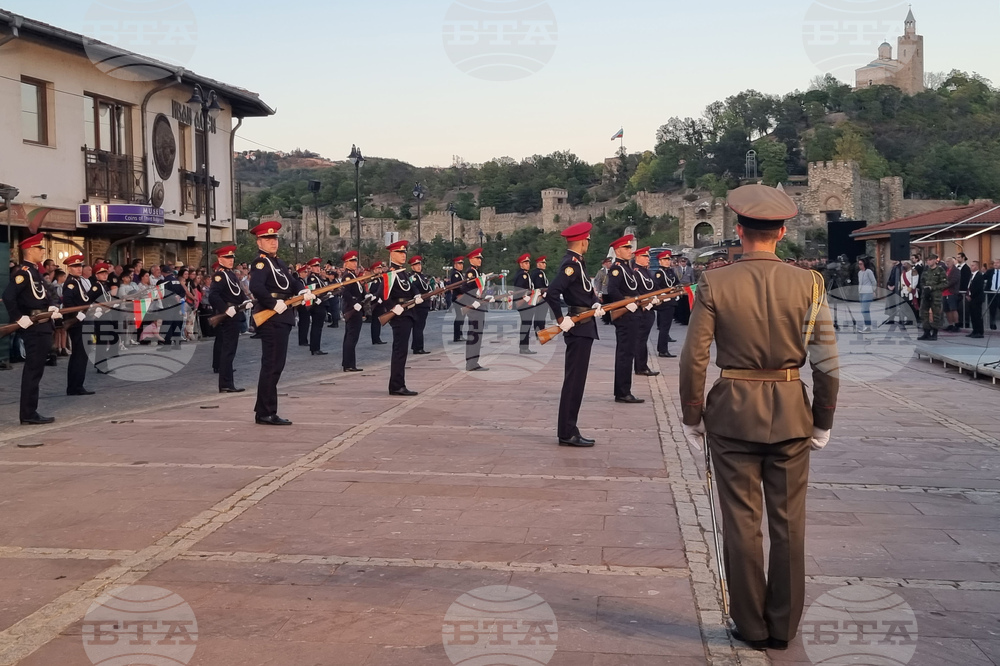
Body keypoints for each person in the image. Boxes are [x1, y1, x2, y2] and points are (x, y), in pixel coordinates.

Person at [679, 184, 840, 651]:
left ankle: (749, 625)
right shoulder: (809, 283)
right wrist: (823, 419)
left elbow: (694, 358)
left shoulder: (716, 282)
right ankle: (782, 627)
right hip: (791, 412)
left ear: (740, 230)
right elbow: (826, 361)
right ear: (783, 232)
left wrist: (693, 414)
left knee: (741, 523)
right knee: (789, 524)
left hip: (732, 415)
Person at [545, 222, 603, 447]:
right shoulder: (571, 264)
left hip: (584, 324)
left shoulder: (579, 263)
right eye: (587, 240)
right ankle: (567, 432)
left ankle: (570, 428)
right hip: (577, 327)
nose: (588, 243)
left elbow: (584, 292)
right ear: (582, 241)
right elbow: (553, 292)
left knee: (577, 381)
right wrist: (561, 319)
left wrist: (596, 302)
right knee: (574, 382)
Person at [249, 222, 311, 426]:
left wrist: (301, 290)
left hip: (282, 316)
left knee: (276, 364)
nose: (273, 242)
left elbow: (292, 282)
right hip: (272, 316)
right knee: (272, 365)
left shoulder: (279, 263)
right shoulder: (260, 263)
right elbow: (256, 287)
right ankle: (266, 412)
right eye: (268, 239)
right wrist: (273, 303)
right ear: (259, 242)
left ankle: (263, 409)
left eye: (274, 238)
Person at [3, 234, 61, 425]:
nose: (42, 251)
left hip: (42, 322)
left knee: (37, 370)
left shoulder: (35, 272)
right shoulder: (24, 273)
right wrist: (19, 318)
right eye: (39, 248)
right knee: (33, 371)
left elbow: (44, 293)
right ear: (29, 251)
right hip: (34, 325)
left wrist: (52, 306)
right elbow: (8, 296)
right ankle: (28, 413)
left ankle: (30, 411)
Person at [606, 235, 643, 404]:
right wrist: (626, 304)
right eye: (626, 248)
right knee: (625, 354)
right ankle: (622, 391)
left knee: (629, 352)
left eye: (630, 248)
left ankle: (624, 389)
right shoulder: (617, 268)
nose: (630, 251)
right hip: (625, 314)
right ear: (617, 250)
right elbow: (612, 290)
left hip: (632, 312)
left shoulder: (628, 268)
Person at [209, 245, 250, 393]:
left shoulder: (231, 274)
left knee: (231, 350)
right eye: (227, 257)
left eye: (232, 257)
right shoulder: (219, 275)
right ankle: (225, 383)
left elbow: (238, 291)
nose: (231, 260)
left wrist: (245, 301)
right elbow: (213, 296)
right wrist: (225, 309)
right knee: (228, 350)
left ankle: (227, 382)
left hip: (235, 313)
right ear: (220, 259)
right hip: (228, 315)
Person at [383, 240, 419, 396]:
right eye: (399, 252)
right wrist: (392, 307)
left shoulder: (403, 272)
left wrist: (417, 294)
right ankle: (397, 385)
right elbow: (383, 294)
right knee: (399, 351)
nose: (403, 255)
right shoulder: (391, 273)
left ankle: (397, 383)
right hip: (398, 314)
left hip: (407, 313)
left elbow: (410, 287)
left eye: (404, 252)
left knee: (402, 351)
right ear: (392, 254)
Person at [61, 255, 95, 396]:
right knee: (79, 355)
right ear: (69, 268)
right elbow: (68, 303)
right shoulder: (70, 283)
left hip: (82, 320)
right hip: (77, 323)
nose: (79, 269)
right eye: (75, 267)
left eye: (80, 266)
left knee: (81, 355)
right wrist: (78, 316)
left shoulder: (78, 282)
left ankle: (76, 385)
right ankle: (75, 387)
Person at [458, 248, 493, 371]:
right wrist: (473, 303)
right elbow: (465, 290)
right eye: (477, 258)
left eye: (480, 258)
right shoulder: (470, 273)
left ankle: (474, 362)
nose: (480, 260)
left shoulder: (477, 273)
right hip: (474, 308)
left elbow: (481, 290)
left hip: (479, 306)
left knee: (477, 334)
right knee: (474, 334)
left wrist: (489, 294)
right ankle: (471, 363)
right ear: (471, 259)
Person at [631, 247, 660, 378]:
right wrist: (646, 302)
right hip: (642, 309)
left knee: (643, 339)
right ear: (638, 258)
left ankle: (642, 365)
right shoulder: (636, 272)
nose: (648, 259)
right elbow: (637, 291)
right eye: (645, 256)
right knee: (640, 339)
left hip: (649, 309)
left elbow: (653, 288)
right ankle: (641, 366)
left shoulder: (645, 272)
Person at [653, 251, 680, 358]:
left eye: (668, 260)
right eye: (665, 260)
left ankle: (663, 348)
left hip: (671, 301)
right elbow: (656, 287)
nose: (667, 262)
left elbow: (676, 282)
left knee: (667, 327)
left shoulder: (670, 272)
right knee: (664, 327)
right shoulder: (659, 273)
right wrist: (664, 294)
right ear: (660, 261)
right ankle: (662, 350)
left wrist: (678, 291)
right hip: (664, 302)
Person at [512, 253, 537, 355]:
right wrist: (525, 298)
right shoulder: (523, 275)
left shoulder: (524, 274)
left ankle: (524, 346)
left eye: (528, 262)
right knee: (525, 325)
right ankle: (524, 347)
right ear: (520, 264)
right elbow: (521, 290)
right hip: (524, 303)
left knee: (526, 324)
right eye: (525, 263)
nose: (527, 264)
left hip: (525, 302)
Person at [919, 254, 947, 341]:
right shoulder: (926, 270)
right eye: (927, 260)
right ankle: (926, 332)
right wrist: (925, 288)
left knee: (936, 314)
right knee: (924, 313)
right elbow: (922, 281)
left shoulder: (940, 270)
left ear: (935, 260)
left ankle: (934, 333)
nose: (928, 261)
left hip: (936, 296)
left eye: (930, 260)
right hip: (926, 295)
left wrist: (933, 288)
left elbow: (945, 283)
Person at [408, 255, 432, 355]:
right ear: (412, 267)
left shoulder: (422, 276)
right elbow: (412, 287)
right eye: (416, 265)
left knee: (420, 326)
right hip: (419, 304)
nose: (418, 267)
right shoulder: (413, 277)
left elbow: (426, 287)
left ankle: (416, 346)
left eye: (419, 264)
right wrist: (417, 294)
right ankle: (418, 347)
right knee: (418, 327)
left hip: (424, 303)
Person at [304, 258, 328, 356]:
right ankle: (315, 348)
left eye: (318, 266)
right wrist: (318, 298)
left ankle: (316, 347)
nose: (318, 268)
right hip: (317, 305)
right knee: (316, 327)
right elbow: (312, 291)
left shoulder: (319, 278)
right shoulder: (312, 278)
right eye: (315, 266)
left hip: (321, 303)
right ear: (311, 268)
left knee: (318, 327)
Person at [447, 256, 467, 342]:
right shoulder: (455, 274)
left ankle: (459, 334)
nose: (461, 265)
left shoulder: (459, 274)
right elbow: (457, 286)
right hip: (458, 297)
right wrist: (463, 292)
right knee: (459, 316)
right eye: (459, 264)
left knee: (461, 317)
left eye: (462, 263)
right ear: (455, 265)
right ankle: (457, 336)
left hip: (461, 297)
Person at [367, 262, 388, 345]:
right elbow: (373, 292)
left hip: (381, 302)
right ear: (374, 270)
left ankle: (377, 338)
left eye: (380, 268)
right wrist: (377, 298)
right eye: (377, 269)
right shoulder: (374, 280)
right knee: (375, 321)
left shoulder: (381, 278)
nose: (379, 270)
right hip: (375, 302)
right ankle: (375, 339)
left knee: (378, 321)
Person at [966, 260, 986, 339]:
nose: (971, 267)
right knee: (973, 315)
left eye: (973, 265)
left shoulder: (979, 275)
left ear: (977, 267)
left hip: (976, 298)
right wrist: (968, 294)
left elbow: (977, 288)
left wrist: (971, 295)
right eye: (971, 265)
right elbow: (969, 286)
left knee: (977, 315)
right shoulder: (971, 275)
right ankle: (974, 330)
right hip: (971, 298)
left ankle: (979, 332)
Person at [531, 256, 550, 333]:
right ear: (538, 264)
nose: (544, 264)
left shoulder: (535, 272)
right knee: (541, 315)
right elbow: (539, 286)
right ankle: (541, 332)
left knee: (538, 315)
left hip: (537, 296)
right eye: (542, 263)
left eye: (545, 263)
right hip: (540, 297)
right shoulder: (539, 273)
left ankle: (538, 331)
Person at [857, 257, 876, 333]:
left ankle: (868, 326)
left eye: (861, 264)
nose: (860, 265)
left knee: (864, 310)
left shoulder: (869, 271)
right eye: (859, 264)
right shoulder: (859, 273)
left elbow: (873, 281)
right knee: (865, 310)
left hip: (868, 292)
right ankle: (868, 325)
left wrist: (873, 290)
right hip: (861, 292)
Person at [943, 257, 961, 332]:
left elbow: (954, 280)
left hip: (951, 292)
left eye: (949, 261)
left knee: (953, 309)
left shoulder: (956, 270)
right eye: (946, 261)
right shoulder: (946, 270)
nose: (947, 263)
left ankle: (956, 324)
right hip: (944, 293)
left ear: (953, 262)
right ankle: (950, 324)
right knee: (947, 310)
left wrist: (944, 286)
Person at [986, 259, 1000, 331]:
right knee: (992, 309)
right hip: (991, 292)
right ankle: (992, 324)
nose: (995, 264)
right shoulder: (990, 272)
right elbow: (983, 278)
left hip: (999, 293)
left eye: (997, 263)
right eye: (994, 263)